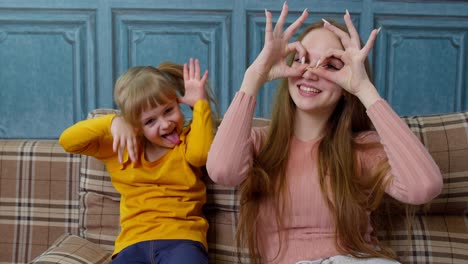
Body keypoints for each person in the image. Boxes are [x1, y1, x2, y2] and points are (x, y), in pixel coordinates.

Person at [206, 3, 443, 264]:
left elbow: (424, 187)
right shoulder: (259, 142)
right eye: (301, 59)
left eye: (330, 66)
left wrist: (363, 89)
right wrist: (254, 77)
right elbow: (221, 171)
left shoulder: (362, 148)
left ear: (345, 85)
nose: (310, 72)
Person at [60, 58, 217, 264]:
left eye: (168, 110)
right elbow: (67, 141)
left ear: (178, 103)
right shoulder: (120, 147)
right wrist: (113, 121)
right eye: (150, 121)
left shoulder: (186, 143)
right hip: (132, 245)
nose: (165, 124)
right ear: (136, 126)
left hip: (182, 240)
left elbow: (201, 154)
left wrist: (200, 105)